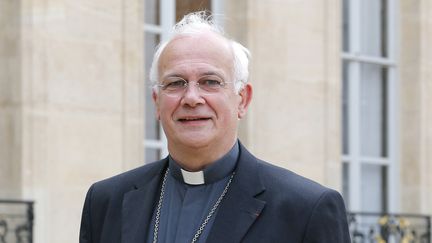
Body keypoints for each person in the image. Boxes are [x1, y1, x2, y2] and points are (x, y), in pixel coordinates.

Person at [79, 11, 351, 243]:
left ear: (242, 100)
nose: (192, 98)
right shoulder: (105, 201)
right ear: (156, 103)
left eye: (210, 81)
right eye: (175, 83)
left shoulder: (306, 209)